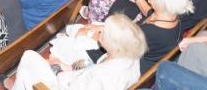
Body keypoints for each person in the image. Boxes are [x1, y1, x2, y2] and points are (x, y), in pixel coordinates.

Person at [11, 13, 146, 90]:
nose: (99, 31)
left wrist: (57, 68)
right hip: (75, 77)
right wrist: (68, 67)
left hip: (63, 85)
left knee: (29, 56)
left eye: (104, 32)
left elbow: (72, 85)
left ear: (114, 44)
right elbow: (91, 68)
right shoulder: (131, 57)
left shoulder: (103, 77)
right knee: (32, 70)